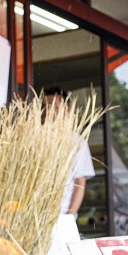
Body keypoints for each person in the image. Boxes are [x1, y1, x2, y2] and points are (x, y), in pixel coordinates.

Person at [43, 87, 95, 216]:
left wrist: (70, 215)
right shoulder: (36, 138)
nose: (49, 111)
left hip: (61, 214)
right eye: (45, 106)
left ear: (67, 109)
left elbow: (80, 182)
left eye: (53, 106)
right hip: (33, 216)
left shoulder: (77, 142)